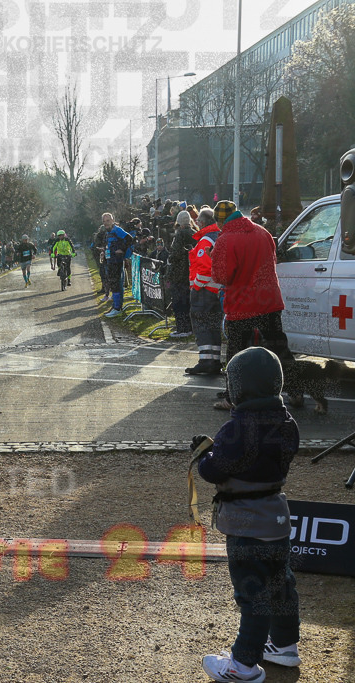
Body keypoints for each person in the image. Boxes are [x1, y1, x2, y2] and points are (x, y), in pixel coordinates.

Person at [194, 346, 302, 683]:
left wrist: (203, 454)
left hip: (245, 523)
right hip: (277, 518)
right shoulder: (288, 424)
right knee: (280, 585)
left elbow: (214, 471)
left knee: (253, 595)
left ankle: (243, 665)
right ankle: (284, 646)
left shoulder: (236, 428)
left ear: (237, 387)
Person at [210, 200, 295, 410]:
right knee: (279, 348)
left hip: (242, 304)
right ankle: (296, 391)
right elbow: (272, 260)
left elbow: (222, 276)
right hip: (269, 301)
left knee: (237, 352)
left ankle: (232, 397)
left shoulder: (225, 239)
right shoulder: (262, 232)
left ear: (220, 221)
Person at [186, 207, 224, 375]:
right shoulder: (219, 236)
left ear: (201, 223)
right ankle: (215, 360)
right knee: (214, 325)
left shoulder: (205, 240)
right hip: (217, 289)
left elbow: (204, 267)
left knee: (202, 324)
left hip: (205, 290)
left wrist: (196, 285)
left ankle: (206, 360)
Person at [167, 210, 196, 339]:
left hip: (179, 272)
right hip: (191, 272)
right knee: (188, 301)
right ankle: (189, 327)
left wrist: (171, 258)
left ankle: (182, 328)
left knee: (179, 302)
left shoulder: (180, 235)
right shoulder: (195, 234)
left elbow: (176, 254)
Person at [102, 213, 133, 317]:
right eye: (104, 221)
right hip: (110, 261)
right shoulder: (108, 232)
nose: (106, 223)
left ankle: (117, 308)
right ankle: (115, 306)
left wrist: (122, 250)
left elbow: (129, 239)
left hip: (117, 261)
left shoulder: (117, 230)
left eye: (108, 220)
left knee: (116, 284)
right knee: (113, 284)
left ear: (113, 220)